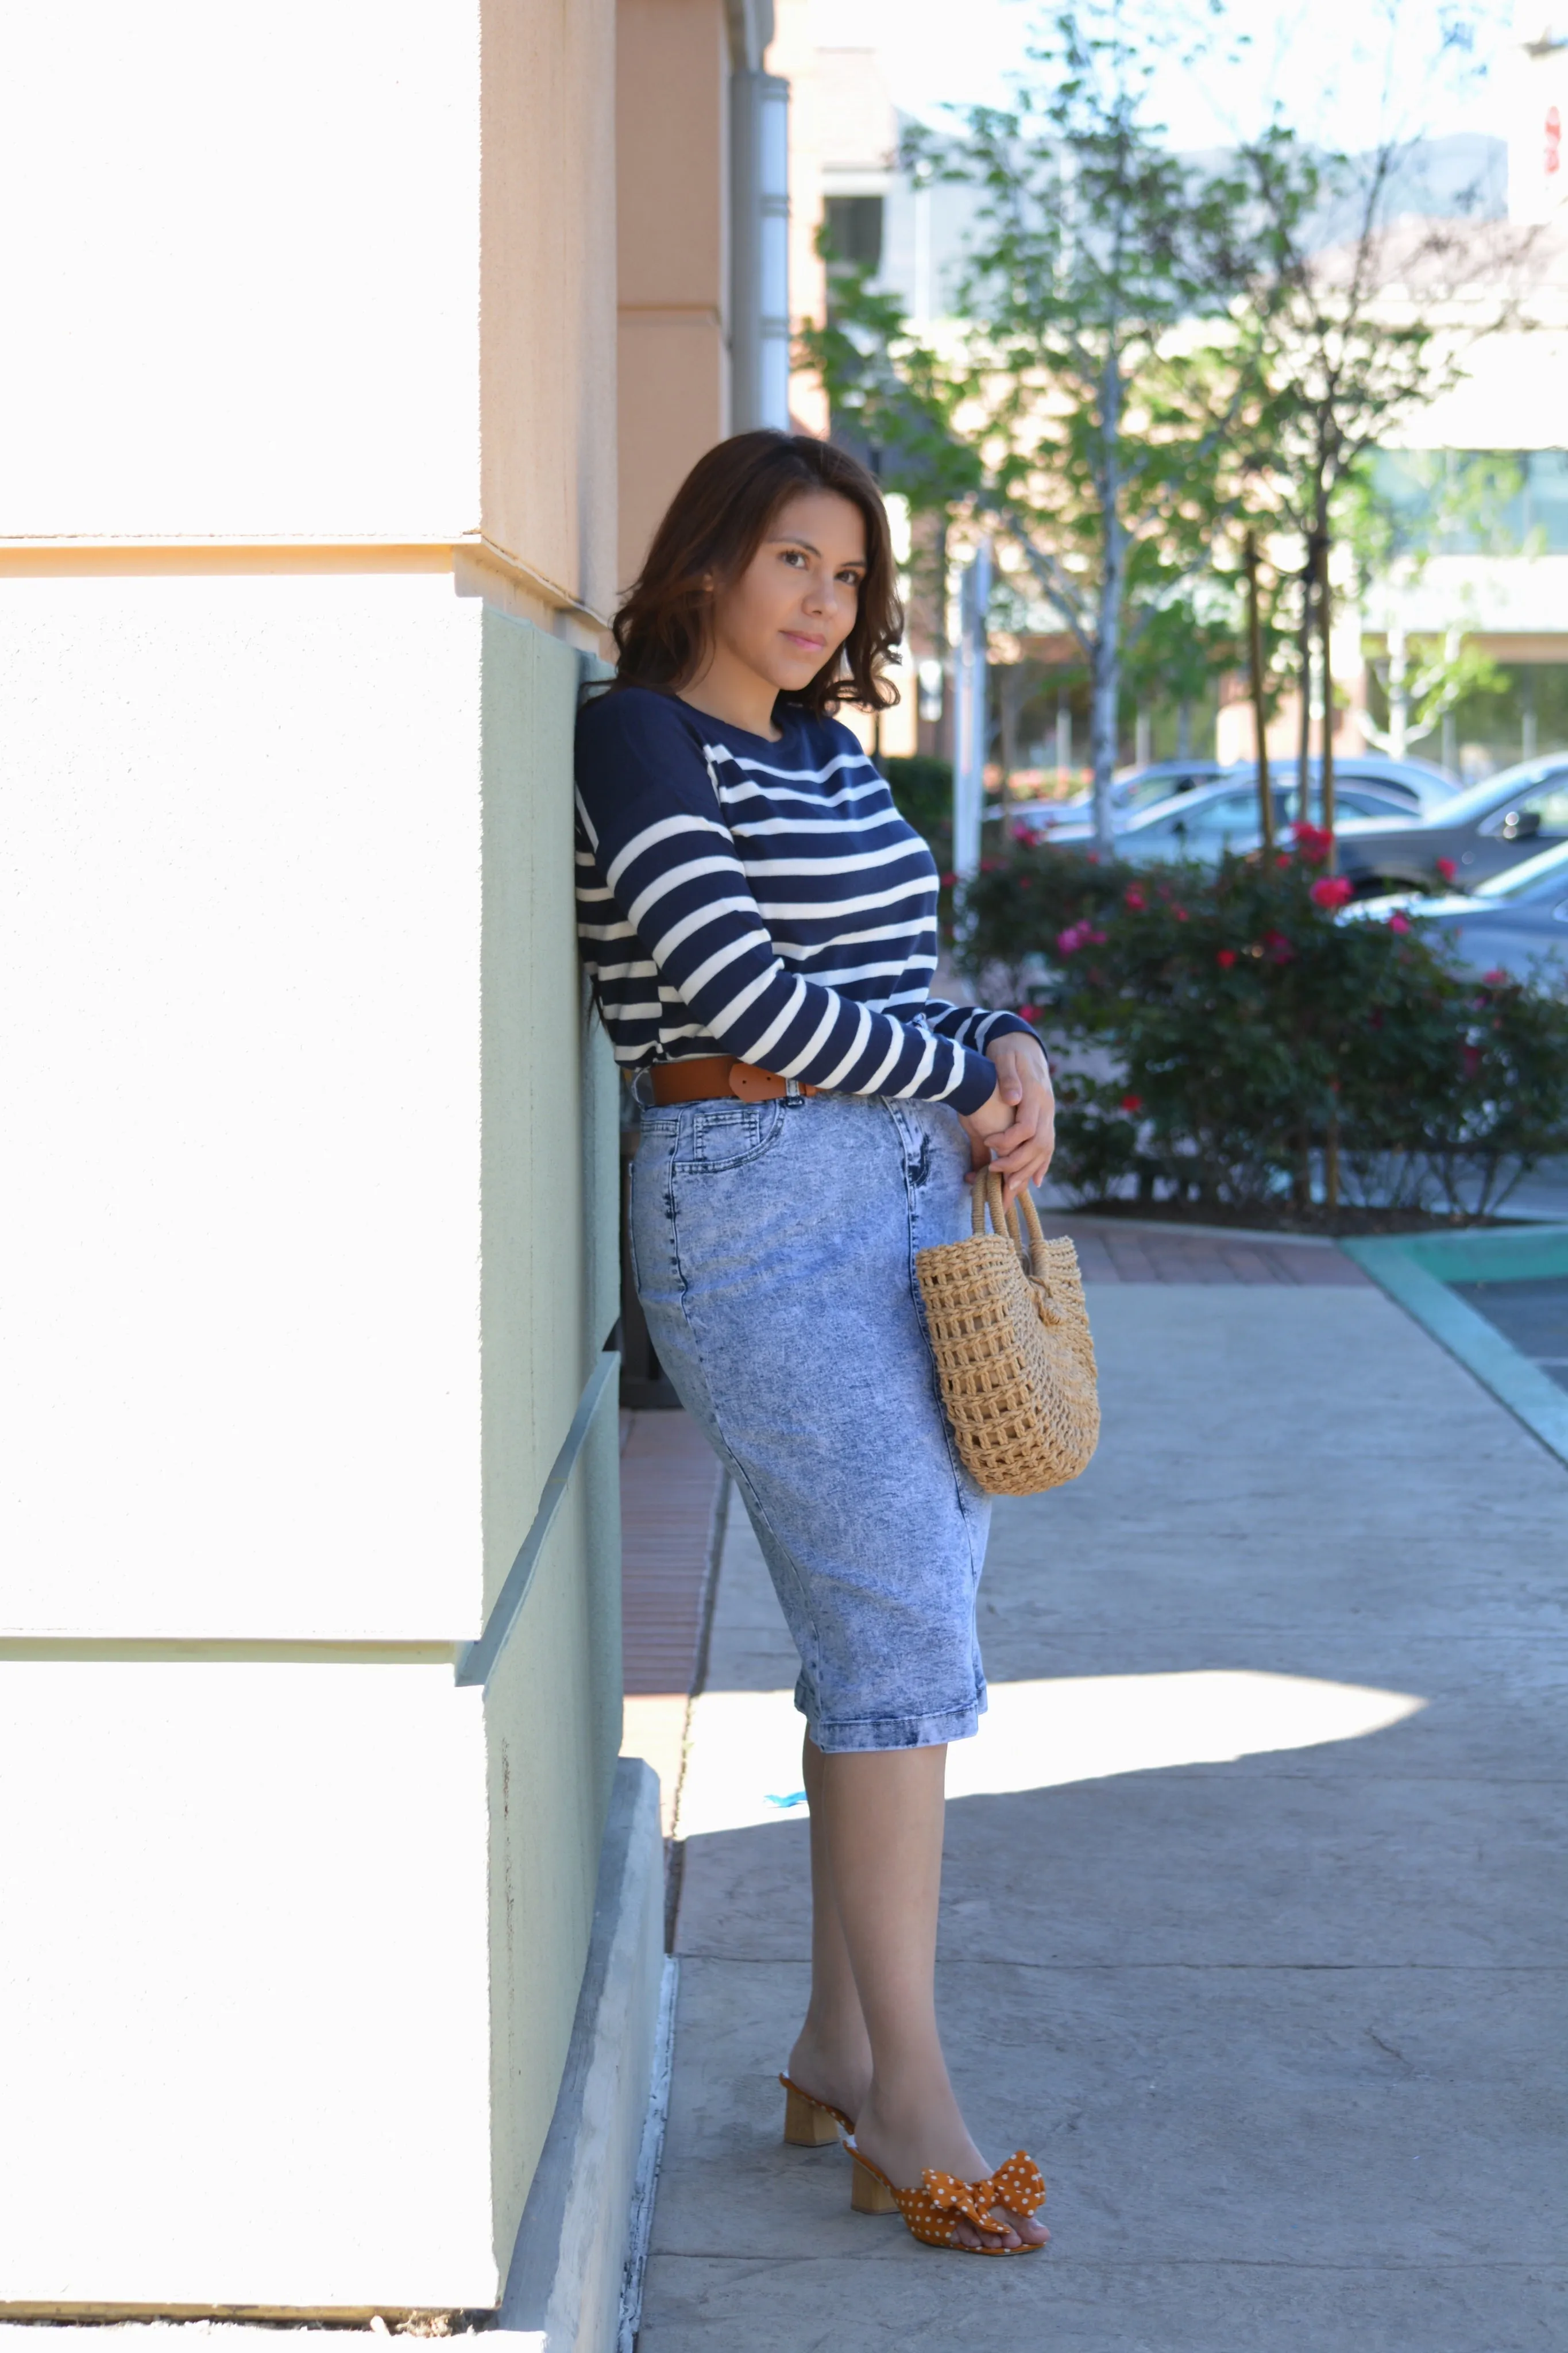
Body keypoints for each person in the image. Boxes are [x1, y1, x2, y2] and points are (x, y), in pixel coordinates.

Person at [575, 431, 1055, 2254]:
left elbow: (898, 975)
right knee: (901, 1623)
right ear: (709, 561)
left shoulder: (832, 758)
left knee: (909, 1597)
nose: (820, 603)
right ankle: (908, 2095)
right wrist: (952, 1069)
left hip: (909, 1199)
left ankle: (838, 2040)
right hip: (750, 1200)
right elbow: (727, 984)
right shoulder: (638, 735)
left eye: (848, 578)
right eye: (793, 559)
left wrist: (1005, 1042)